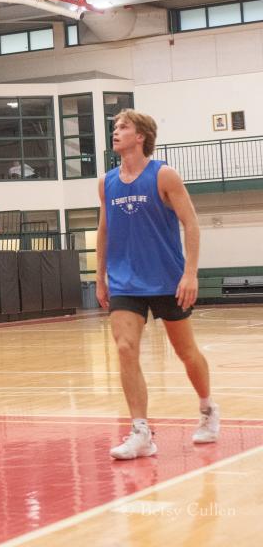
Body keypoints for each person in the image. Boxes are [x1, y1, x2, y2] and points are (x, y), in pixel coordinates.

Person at [97, 110, 219, 460]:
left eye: (123, 127)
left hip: (167, 278)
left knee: (186, 353)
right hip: (125, 281)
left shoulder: (163, 175)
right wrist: (100, 276)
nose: (115, 132)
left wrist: (191, 273)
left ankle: (208, 408)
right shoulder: (107, 182)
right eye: (115, 127)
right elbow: (104, 231)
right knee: (124, 348)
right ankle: (140, 432)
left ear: (141, 136)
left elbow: (191, 224)